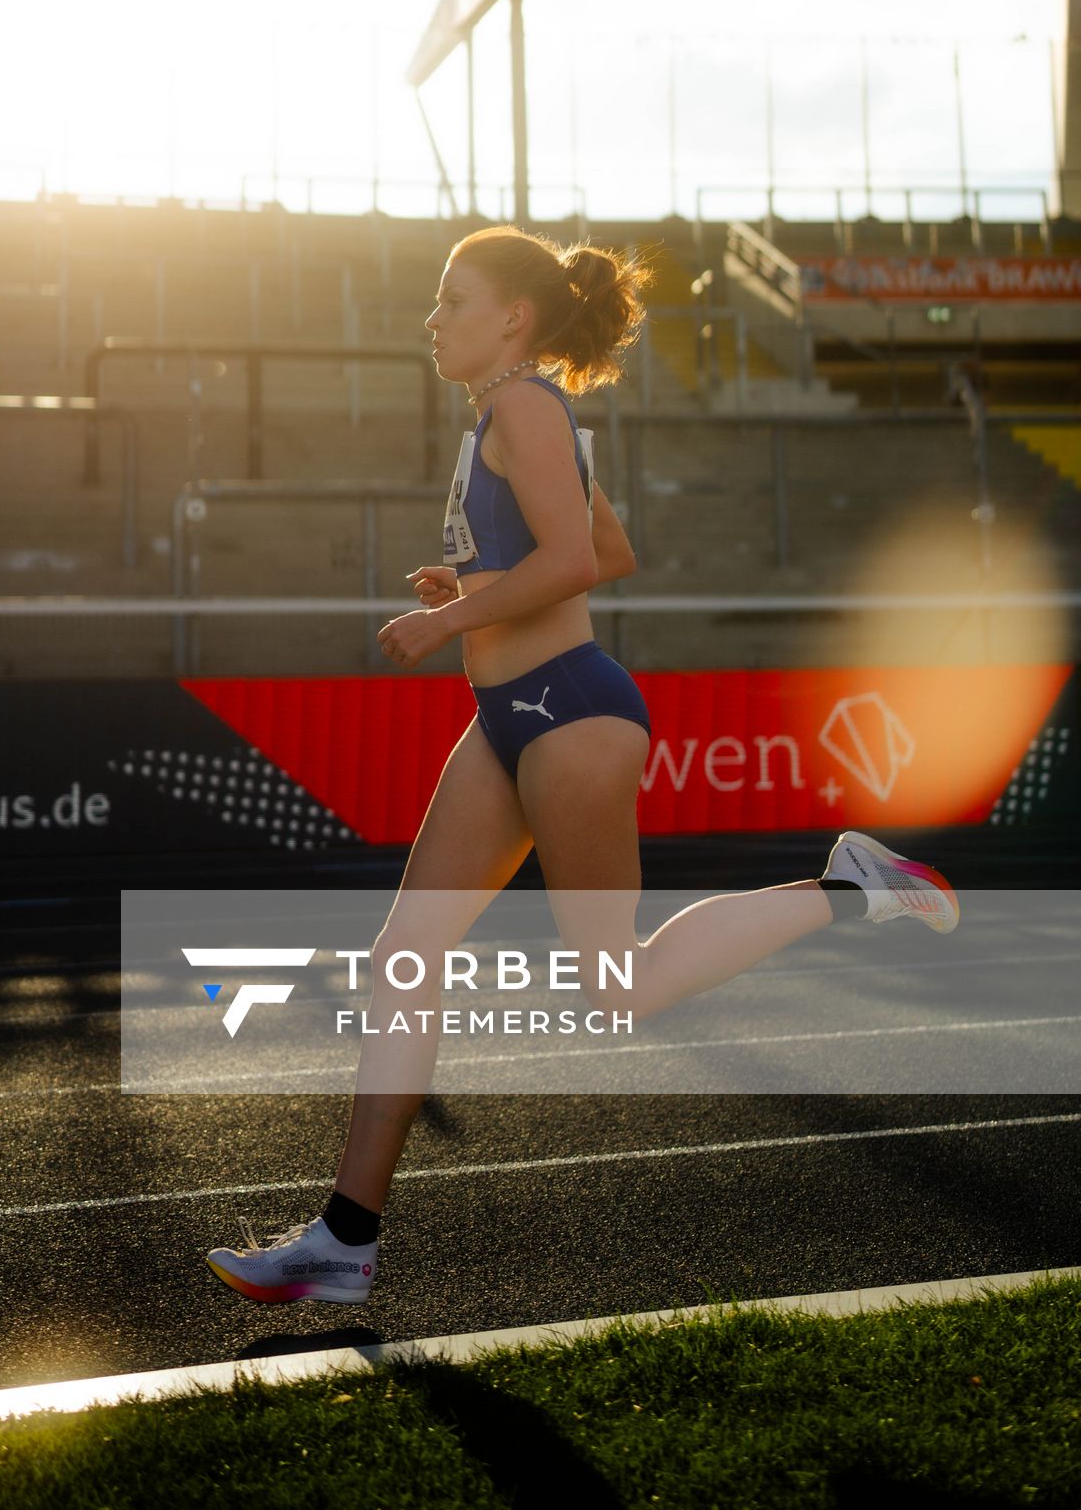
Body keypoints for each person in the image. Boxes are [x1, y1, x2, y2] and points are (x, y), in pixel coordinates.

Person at [206, 226, 958, 1305]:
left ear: (510, 318)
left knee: (620, 987)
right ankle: (343, 1240)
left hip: (568, 714)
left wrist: (452, 615)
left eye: (450, 299)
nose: (432, 318)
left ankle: (846, 888)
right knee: (403, 957)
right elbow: (607, 552)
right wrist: (469, 573)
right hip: (507, 715)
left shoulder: (522, 403)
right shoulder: (513, 411)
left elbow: (574, 565)